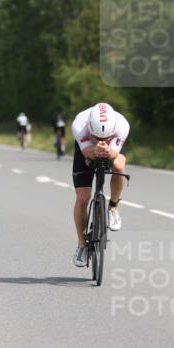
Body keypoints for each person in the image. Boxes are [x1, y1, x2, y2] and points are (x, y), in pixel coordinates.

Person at [71, 102, 130, 267]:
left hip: (113, 147)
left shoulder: (122, 125)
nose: (102, 140)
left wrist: (109, 151)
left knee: (119, 166)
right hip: (87, 148)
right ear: (90, 128)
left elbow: (115, 153)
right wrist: (94, 149)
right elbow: (86, 152)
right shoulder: (79, 124)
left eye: (105, 137)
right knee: (82, 198)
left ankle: (113, 206)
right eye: (98, 137)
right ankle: (82, 245)